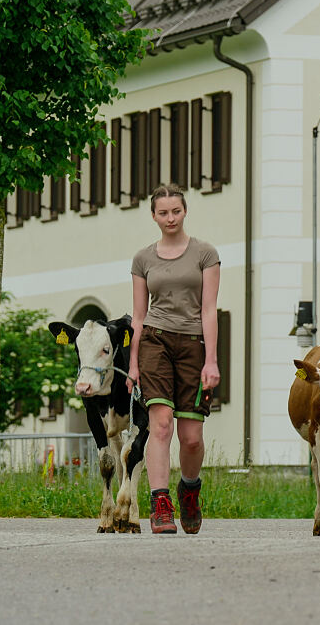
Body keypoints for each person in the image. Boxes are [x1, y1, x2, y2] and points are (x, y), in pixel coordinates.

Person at [128, 184, 221, 534]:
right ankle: (160, 503)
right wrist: (134, 364)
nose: (170, 218)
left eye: (176, 211)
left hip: (194, 345)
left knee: (192, 437)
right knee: (161, 423)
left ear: (185, 212)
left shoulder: (205, 254)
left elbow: (209, 309)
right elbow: (138, 316)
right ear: (153, 216)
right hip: (155, 341)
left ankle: (190, 490)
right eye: (163, 212)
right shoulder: (143, 259)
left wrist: (211, 361)